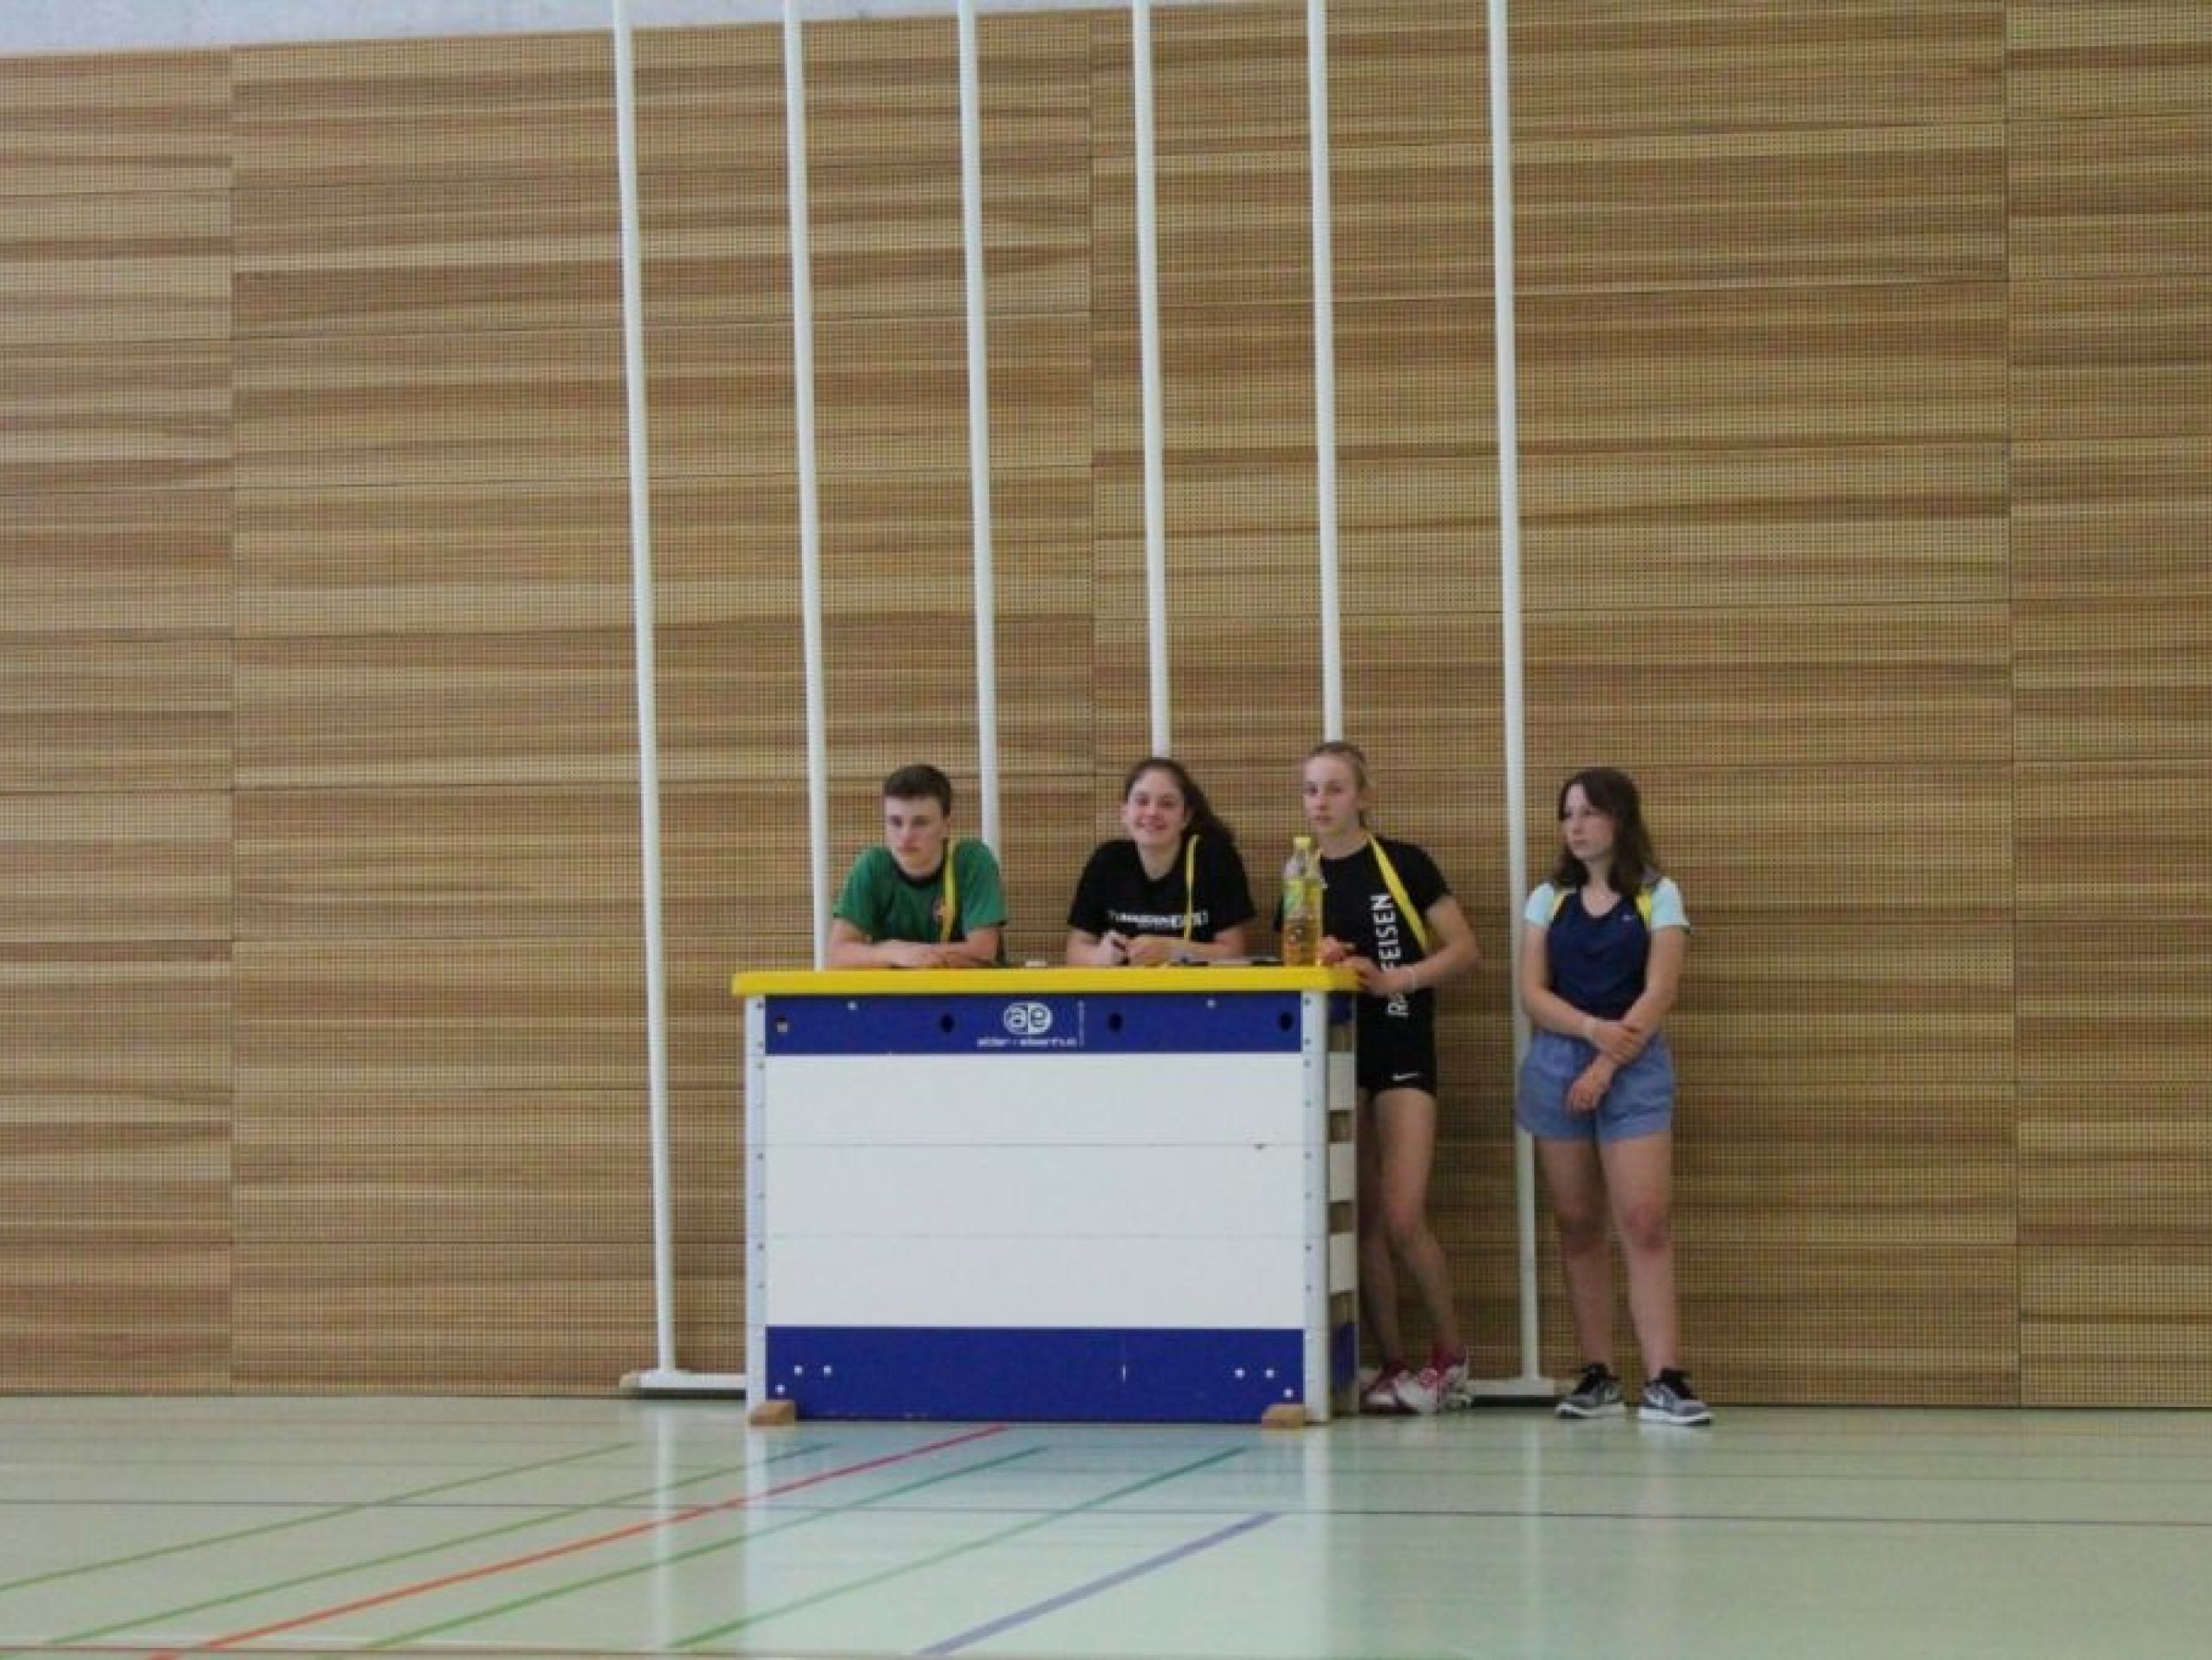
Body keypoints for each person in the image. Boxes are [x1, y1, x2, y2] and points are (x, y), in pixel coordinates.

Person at [1518, 766, 1708, 1426]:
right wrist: (1588, 1031)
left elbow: (1660, 990)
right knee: (1577, 1223)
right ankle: (1597, 1372)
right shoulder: (1548, 898)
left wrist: (1606, 1059)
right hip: (1558, 1062)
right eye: (1566, 813)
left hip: (1632, 1061)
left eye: (1589, 813)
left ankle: (1665, 1377)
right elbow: (1532, 993)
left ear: (1619, 820)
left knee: (1644, 1220)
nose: (1575, 826)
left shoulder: (1658, 894)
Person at [1300, 740, 1481, 1415]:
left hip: (1402, 1045)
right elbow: (1297, 961)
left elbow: (1464, 950)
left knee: (1404, 1216)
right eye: (1311, 789)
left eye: (1335, 788)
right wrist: (1322, 957)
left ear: (1363, 797)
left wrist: (1397, 979)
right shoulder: (1302, 876)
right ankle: (1394, 1361)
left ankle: (1451, 1357)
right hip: (1341, 1053)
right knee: (1364, 1220)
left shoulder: (1403, 862)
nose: (1321, 802)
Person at [1066, 757, 1255, 966]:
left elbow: (1234, 953)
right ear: (1124, 813)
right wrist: (1100, 957)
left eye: (1167, 804)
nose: (1152, 812)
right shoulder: (1107, 861)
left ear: (1185, 817)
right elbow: (1075, 951)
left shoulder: (1215, 858)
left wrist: (1172, 951)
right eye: (1142, 801)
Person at [826, 764, 1006, 968]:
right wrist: (892, 953)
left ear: (946, 826)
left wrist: (905, 955)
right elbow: (837, 954)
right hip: (896, 988)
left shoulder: (972, 860)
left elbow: (983, 950)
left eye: (920, 823)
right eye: (895, 822)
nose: (905, 836)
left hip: (969, 987)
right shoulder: (872, 865)